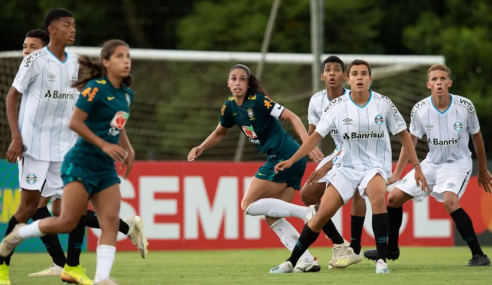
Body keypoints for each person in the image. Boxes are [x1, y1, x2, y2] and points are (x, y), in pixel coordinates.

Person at [269, 59, 429, 274]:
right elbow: (314, 136)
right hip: (346, 166)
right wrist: (292, 160)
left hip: (374, 165)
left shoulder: (383, 103)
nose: (360, 77)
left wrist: (416, 166)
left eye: (364, 74)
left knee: (378, 199)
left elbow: (403, 134)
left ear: (370, 79)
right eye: (355, 74)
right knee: (321, 214)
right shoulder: (336, 107)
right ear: (349, 79)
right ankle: (291, 262)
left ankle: (381, 261)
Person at [0, 39, 135, 285]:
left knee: (97, 218)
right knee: (46, 214)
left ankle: (89, 273)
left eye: (128, 56)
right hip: (53, 154)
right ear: (106, 62)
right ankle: (15, 244)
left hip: (78, 156)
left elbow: (116, 123)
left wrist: (127, 147)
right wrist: (16, 137)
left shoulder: (125, 94)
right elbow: (75, 121)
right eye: (120, 56)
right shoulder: (92, 87)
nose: (126, 61)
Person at [188, 64, 322, 273]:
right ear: (228, 83)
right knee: (273, 216)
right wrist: (201, 147)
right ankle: (306, 260)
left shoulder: (259, 101)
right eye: (234, 79)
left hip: (285, 156)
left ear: (248, 83)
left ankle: (306, 212)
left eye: (243, 79)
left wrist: (307, 143)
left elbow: (292, 117)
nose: (238, 83)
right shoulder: (229, 107)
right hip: (290, 160)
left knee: (247, 204)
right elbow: (220, 132)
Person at [363, 64, 492, 266]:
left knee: (450, 201)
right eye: (434, 79)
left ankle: (479, 255)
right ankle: (392, 249)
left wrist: (482, 170)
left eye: (442, 79)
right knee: (394, 198)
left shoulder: (465, 106)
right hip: (432, 163)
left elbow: (477, 138)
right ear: (428, 84)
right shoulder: (420, 109)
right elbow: (410, 141)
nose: (438, 82)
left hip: (458, 163)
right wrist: (398, 173)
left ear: (449, 83)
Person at [0, 9, 94, 285]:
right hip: (33, 147)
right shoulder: (35, 61)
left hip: (64, 148)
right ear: (52, 30)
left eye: (74, 25)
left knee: (75, 206)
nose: (73, 29)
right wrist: (16, 137)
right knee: (28, 209)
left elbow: (78, 104)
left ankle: (72, 268)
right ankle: (2, 264)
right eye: (67, 25)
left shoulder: (75, 62)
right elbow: (11, 97)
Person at [302, 55, 366, 268]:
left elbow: (355, 141)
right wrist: (309, 150)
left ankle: (355, 248)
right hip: (338, 152)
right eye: (328, 69)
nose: (332, 73)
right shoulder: (316, 100)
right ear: (322, 76)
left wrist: (329, 164)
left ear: (344, 76)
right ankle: (339, 243)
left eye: (337, 69)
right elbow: (312, 135)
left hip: (359, 152)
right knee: (307, 194)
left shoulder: (354, 100)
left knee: (358, 191)